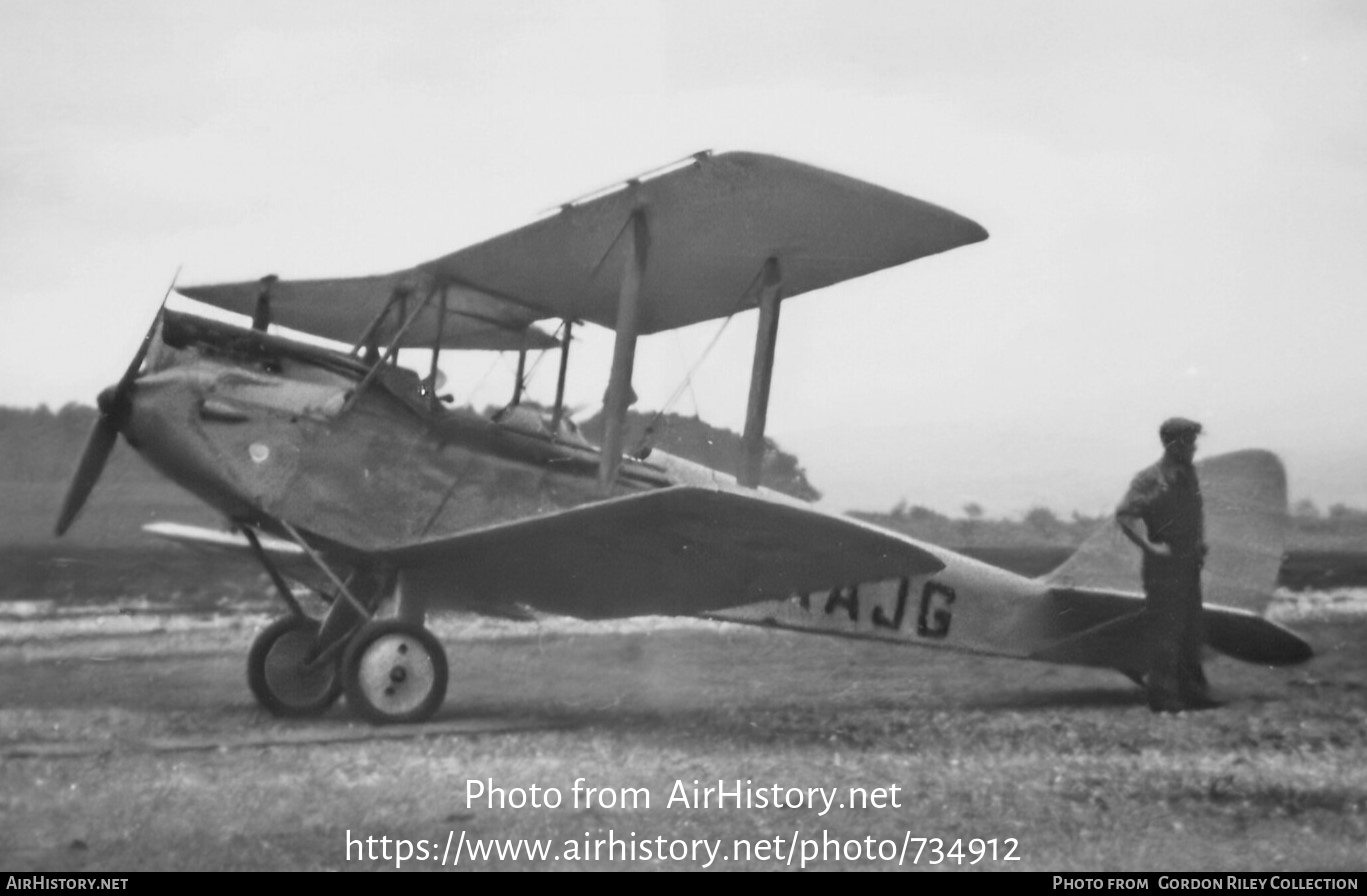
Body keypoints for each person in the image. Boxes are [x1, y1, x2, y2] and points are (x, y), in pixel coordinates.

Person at [1115, 417, 1216, 713]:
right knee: (1166, 631)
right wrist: (1149, 546)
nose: (1194, 447)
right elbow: (1124, 516)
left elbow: (1193, 515)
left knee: (1191, 629)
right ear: (1171, 443)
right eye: (1188, 441)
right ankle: (1164, 699)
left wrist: (1199, 543)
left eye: (1194, 441)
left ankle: (1193, 694)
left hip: (1188, 563)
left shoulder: (1189, 475)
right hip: (1163, 566)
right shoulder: (1149, 479)